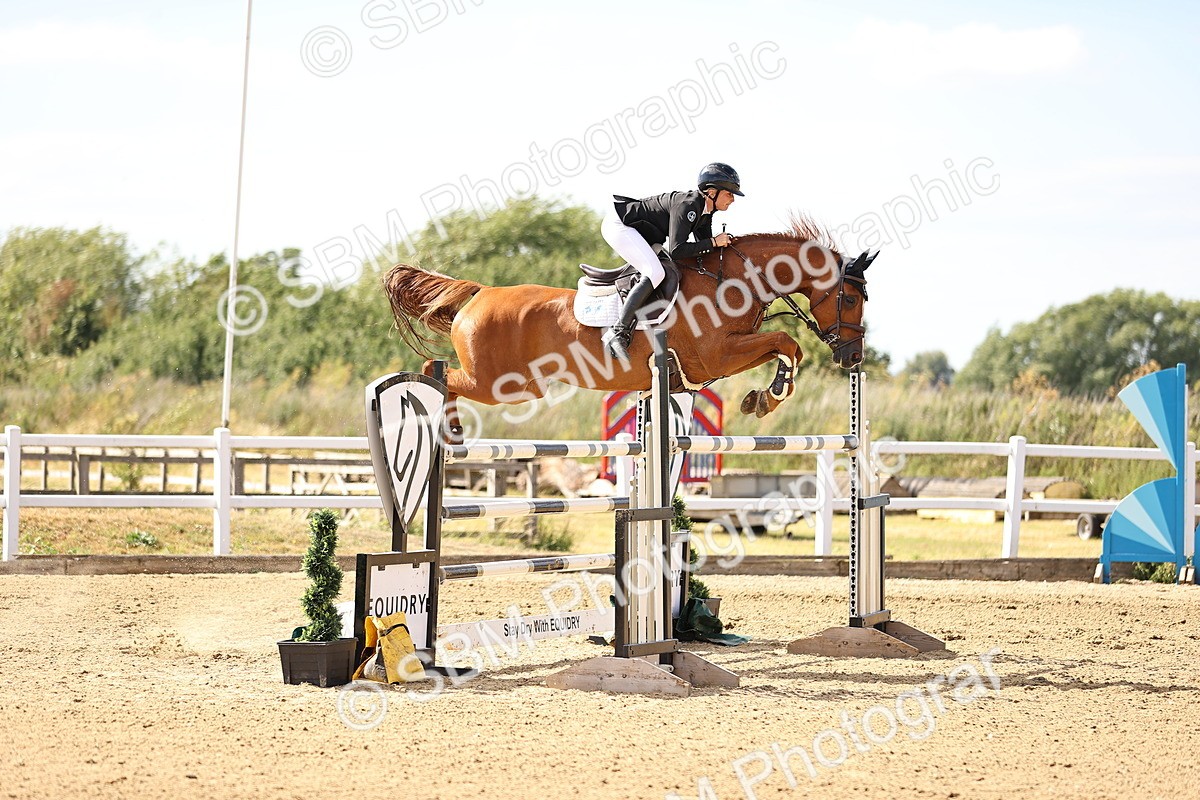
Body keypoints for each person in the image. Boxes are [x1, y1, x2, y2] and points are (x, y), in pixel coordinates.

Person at [600, 162, 743, 361]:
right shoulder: (688, 205)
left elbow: (703, 252)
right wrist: (713, 242)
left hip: (640, 233)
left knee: (665, 270)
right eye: (729, 194)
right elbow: (676, 250)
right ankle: (617, 332)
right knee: (655, 272)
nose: (733, 200)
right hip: (620, 225)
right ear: (712, 192)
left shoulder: (705, 212)